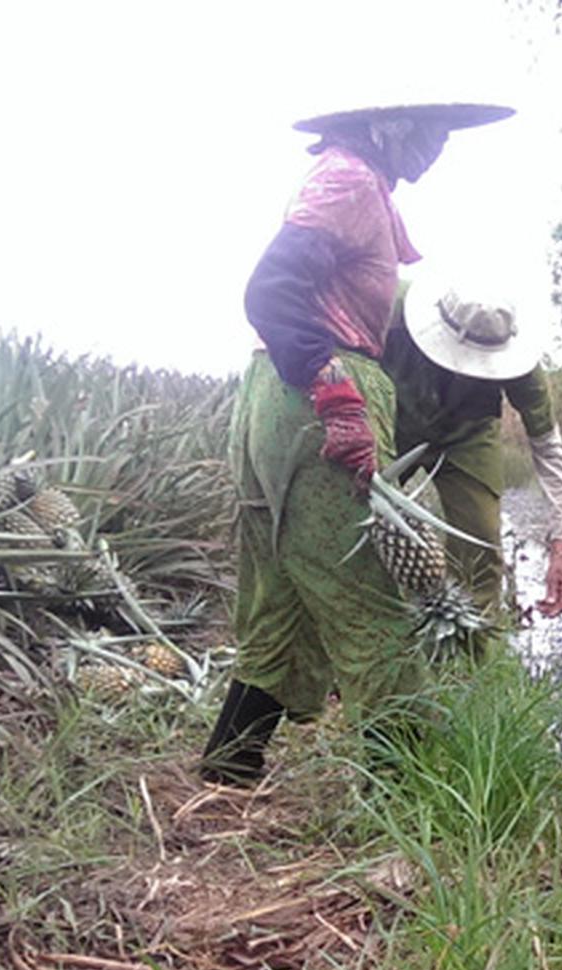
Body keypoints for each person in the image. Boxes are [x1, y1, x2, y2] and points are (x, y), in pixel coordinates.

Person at [199, 98, 512, 787]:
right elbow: (270, 291)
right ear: (388, 128)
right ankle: (411, 793)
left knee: (281, 597)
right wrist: (336, 390)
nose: (437, 149)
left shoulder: (355, 183)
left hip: (279, 398)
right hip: (314, 395)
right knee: (374, 600)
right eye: (429, 133)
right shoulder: (349, 180)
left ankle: (230, 763)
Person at [382, 277, 562, 621]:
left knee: (481, 549)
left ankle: (474, 645)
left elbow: (549, 451)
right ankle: (385, 633)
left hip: (468, 434)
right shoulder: (388, 307)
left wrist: (559, 550)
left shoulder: (523, 367)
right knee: (366, 529)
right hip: (392, 421)